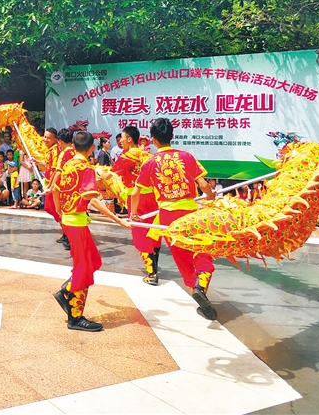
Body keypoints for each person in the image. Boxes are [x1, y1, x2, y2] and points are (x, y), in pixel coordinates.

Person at [131, 118, 217, 320]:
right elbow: (203, 184)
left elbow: (136, 192)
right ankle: (201, 284)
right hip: (191, 212)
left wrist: (134, 213)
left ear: (153, 140)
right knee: (201, 249)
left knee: (182, 258)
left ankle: (197, 290)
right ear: (172, 136)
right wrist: (211, 195)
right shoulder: (186, 156)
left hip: (167, 217)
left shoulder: (150, 162)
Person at [53, 131, 130, 331]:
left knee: (94, 261)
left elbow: (54, 189)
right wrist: (118, 220)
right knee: (84, 268)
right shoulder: (85, 168)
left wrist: (61, 213)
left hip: (73, 222)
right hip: (76, 224)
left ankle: (67, 292)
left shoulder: (67, 165)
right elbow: (93, 200)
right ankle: (75, 317)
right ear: (91, 148)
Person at [111, 126, 159, 285]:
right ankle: (154, 266)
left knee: (139, 231)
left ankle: (152, 273)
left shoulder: (129, 155)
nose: (121, 141)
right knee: (153, 230)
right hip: (153, 196)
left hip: (138, 197)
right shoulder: (147, 154)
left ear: (129, 139)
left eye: (122, 139)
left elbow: (112, 172)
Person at [52, 129, 76, 249]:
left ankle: (70, 239)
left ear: (60, 141)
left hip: (65, 187)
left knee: (63, 212)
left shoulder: (64, 153)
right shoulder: (76, 151)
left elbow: (58, 172)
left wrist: (51, 187)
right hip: (76, 187)